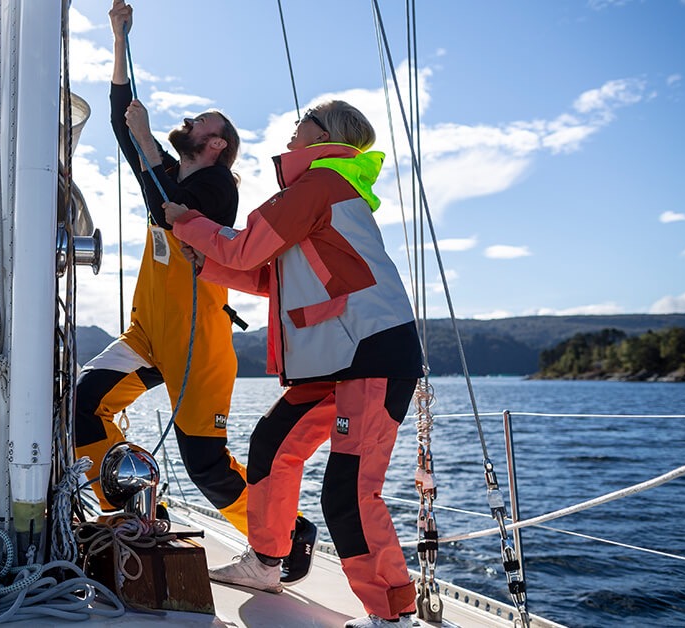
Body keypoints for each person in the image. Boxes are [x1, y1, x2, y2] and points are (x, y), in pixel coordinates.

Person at [164, 99, 424, 628]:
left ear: (323, 135)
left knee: (349, 491)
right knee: (272, 445)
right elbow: (268, 277)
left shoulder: (320, 187)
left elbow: (245, 250)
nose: (293, 126)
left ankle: (393, 614)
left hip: (370, 354)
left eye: (303, 120)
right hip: (336, 359)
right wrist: (206, 261)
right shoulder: (314, 192)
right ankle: (266, 563)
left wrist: (186, 222)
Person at [74, 0, 249, 535]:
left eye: (203, 122)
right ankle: (131, 504)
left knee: (207, 467)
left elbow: (174, 211)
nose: (191, 121)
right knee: (82, 405)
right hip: (148, 334)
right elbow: (120, 119)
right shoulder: (170, 170)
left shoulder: (220, 186)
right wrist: (120, 38)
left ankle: (286, 535)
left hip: (197, 342)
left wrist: (148, 142)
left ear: (216, 145)